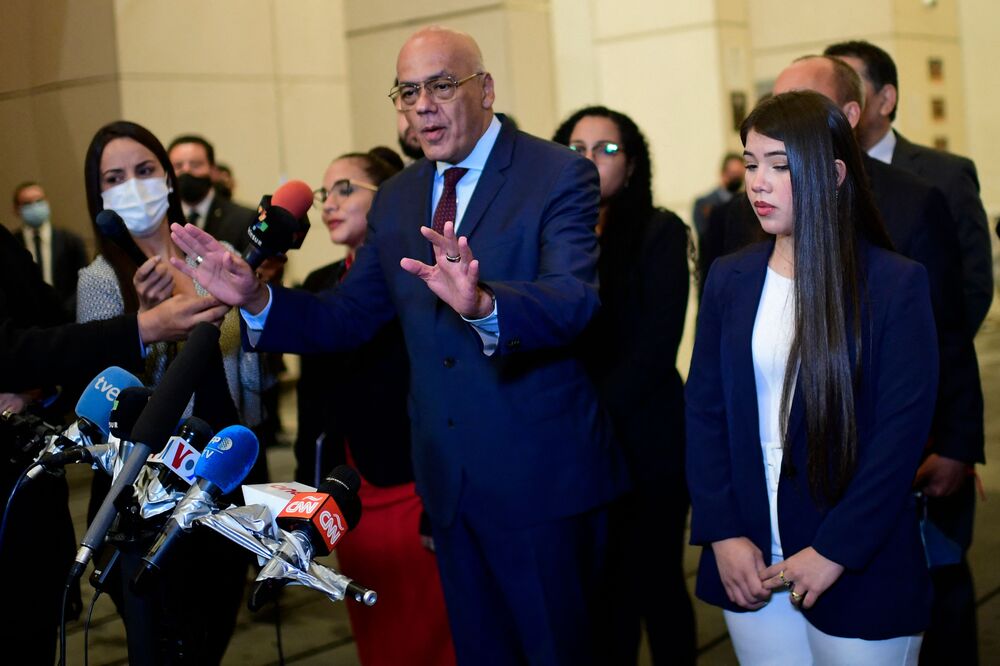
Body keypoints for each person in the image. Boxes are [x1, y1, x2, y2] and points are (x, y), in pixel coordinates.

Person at [170, 25, 629, 666]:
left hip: (541, 480)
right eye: (407, 91)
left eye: (441, 85)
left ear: (486, 89)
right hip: (447, 484)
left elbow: (574, 299)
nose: (422, 105)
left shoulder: (556, 173)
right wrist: (255, 299)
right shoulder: (400, 198)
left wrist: (485, 305)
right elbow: (348, 318)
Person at [687, 90, 939, 664]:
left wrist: (834, 549)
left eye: (780, 165)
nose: (758, 182)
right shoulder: (731, 277)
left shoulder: (894, 284)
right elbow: (704, 412)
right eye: (751, 164)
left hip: (857, 560)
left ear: (833, 174)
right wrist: (722, 532)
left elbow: (899, 440)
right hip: (751, 557)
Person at [777, 54, 987, 666]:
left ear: (854, 110)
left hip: (911, 426)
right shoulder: (761, 201)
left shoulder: (930, 187)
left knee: (937, 584)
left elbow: (957, 318)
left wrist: (955, 438)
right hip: (816, 443)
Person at [0, 217, 226, 664]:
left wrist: (38, 383)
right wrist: (140, 328)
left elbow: (48, 336)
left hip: (33, 490)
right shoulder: (98, 276)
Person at [77, 120, 262, 664]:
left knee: (215, 631)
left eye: (144, 170)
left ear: (166, 176)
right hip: (149, 492)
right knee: (163, 644)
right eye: (115, 177)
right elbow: (108, 396)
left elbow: (246, 359)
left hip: (225, 472)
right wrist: (146, 324)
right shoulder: (100, 279)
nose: (133, 185)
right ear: (100, 195)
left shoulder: (219, 253)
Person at [295, 146, 455, 666]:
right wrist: (306, 490)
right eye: (325, 194)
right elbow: (311, 399)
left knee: (431, 628)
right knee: (375, 630)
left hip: (410, 482)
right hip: (347, 488)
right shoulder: (320, 284)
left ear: (385, 201)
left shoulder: (417, 276)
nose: (329, 205)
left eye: (346, 190)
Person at [552, 106, 694, 665]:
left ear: (631, 166)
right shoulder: (554, 238)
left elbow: (657, 348)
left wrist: (586, 413)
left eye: (605, 149)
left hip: (645, 439)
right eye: (576, 148)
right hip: (574, 445)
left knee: (656, 585)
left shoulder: (660, 232)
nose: (589, 160)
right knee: (602, 595)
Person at [824, 40, 993, 336]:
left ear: (885, 99)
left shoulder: (946, 175)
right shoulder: (812, 180)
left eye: (851, 87)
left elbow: (973, 287)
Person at [167, 134, 256, 253]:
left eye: (195, 164)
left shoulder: (245, 219)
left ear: (213, 171)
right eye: (178, 166)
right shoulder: (161, 221)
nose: (186, 171)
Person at [12, 181, 89, 317]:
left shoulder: (71, 241)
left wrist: (64, 312)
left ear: (47, 202)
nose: (35, 206)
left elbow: (84, 281)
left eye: (39, 200)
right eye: (27, 203)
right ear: (17, 209)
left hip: (69, 318)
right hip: (29, 322)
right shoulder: (12, 245)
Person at [691, 152, 744, 239]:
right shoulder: (703, 203)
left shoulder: (745, 202)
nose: (736, 178)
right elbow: (705, 236)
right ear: (723, 173)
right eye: (733, 173)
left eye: (739, 174)